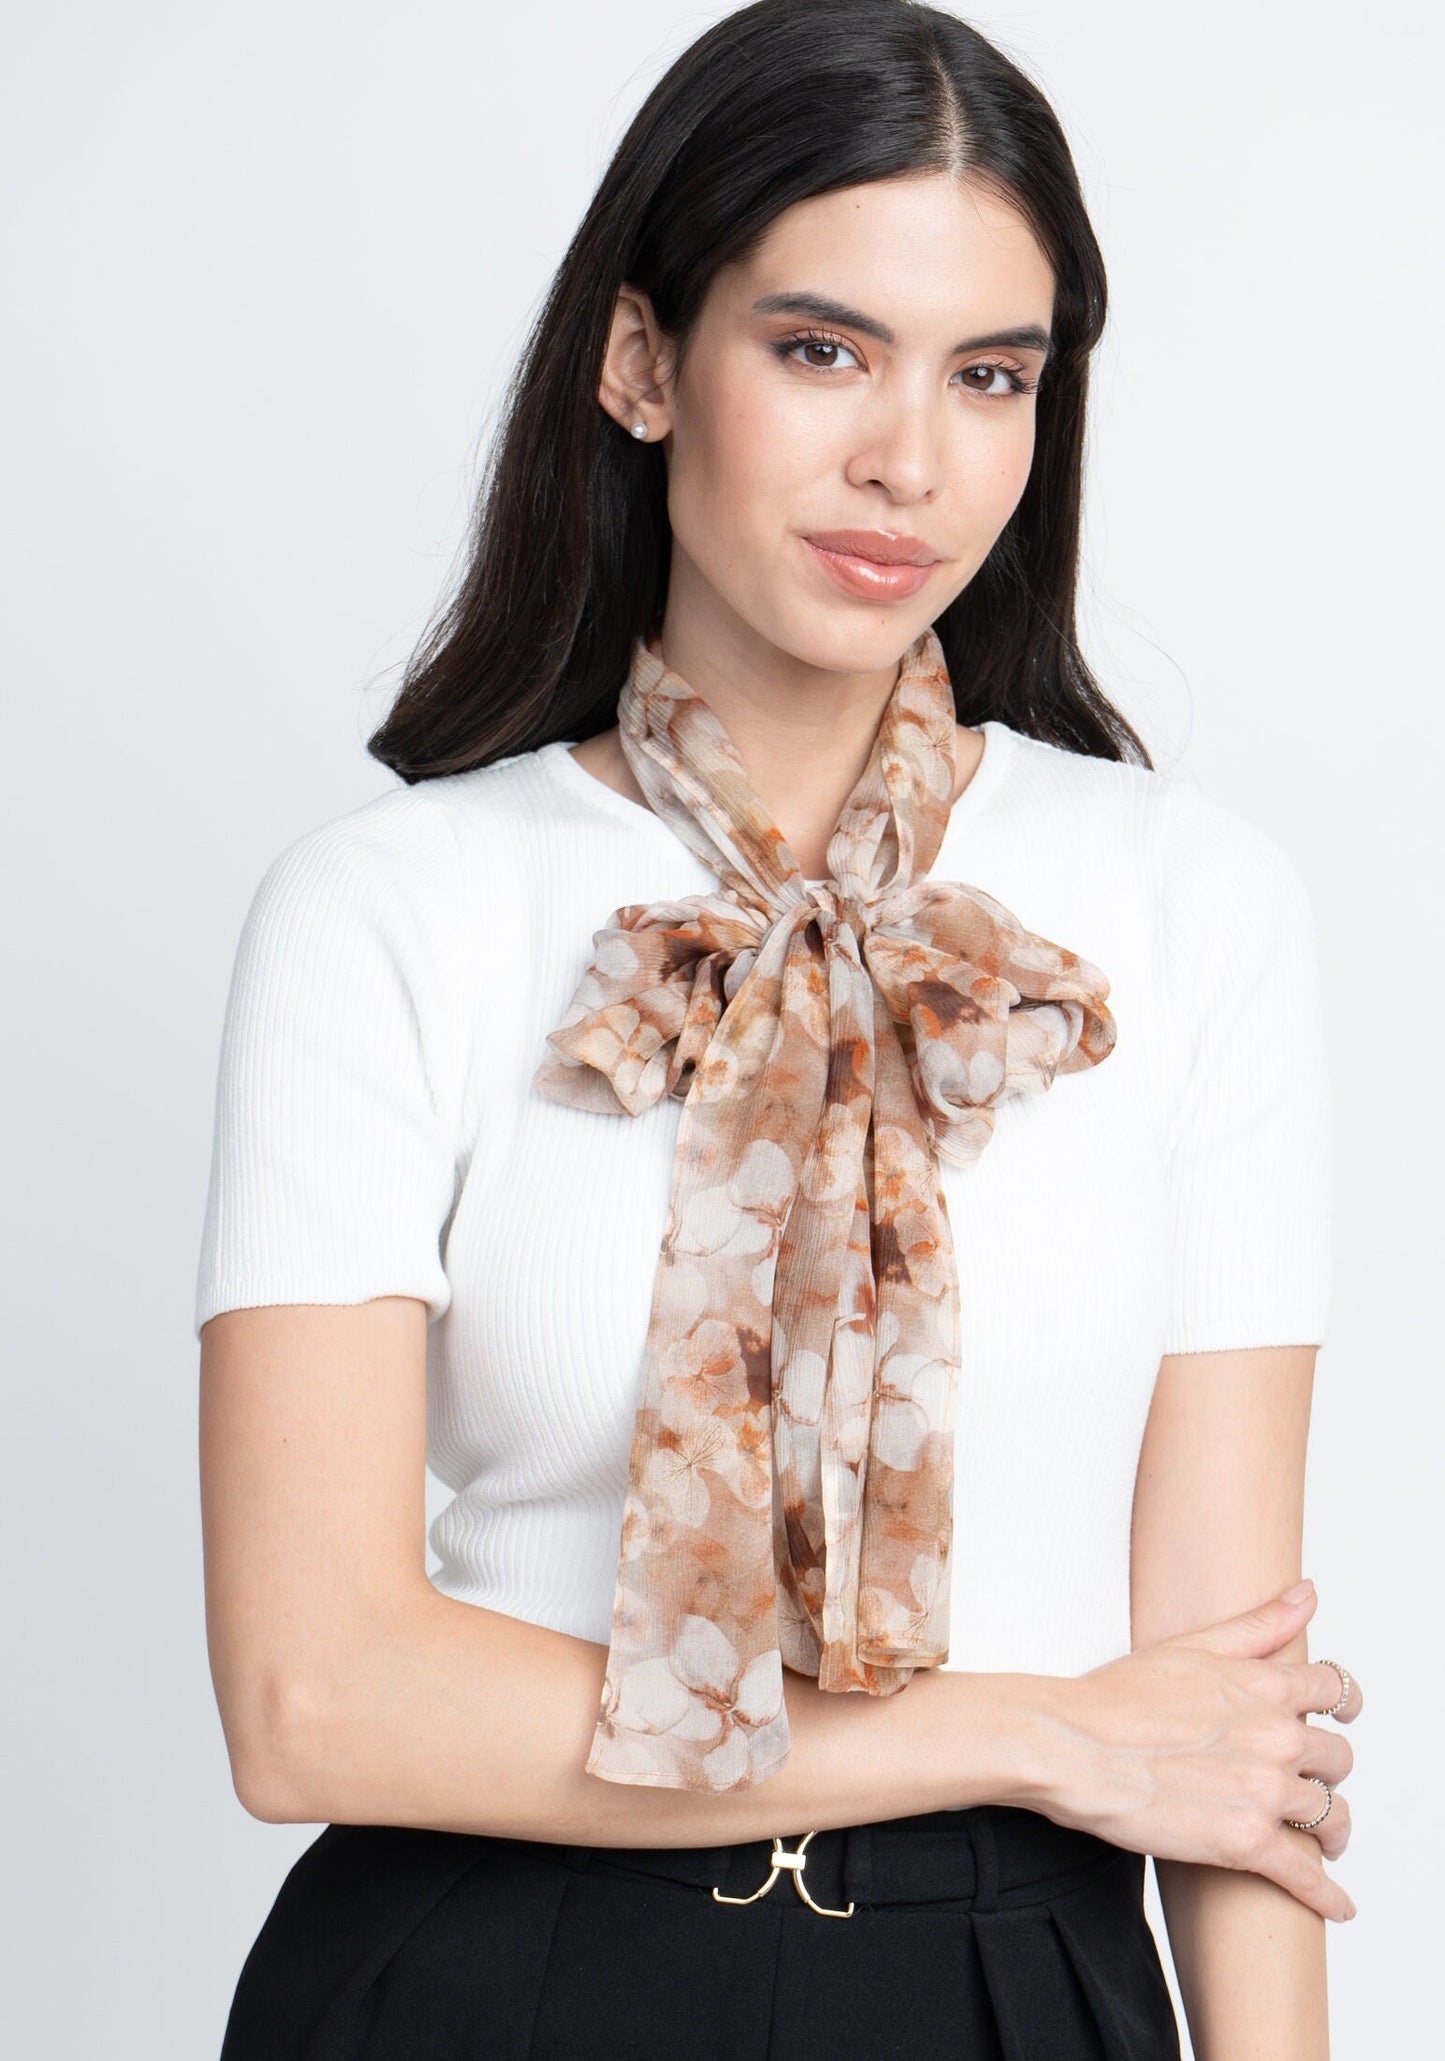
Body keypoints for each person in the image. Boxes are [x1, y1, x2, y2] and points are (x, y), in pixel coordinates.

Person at [194, 3, 1363, 2054]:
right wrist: (1036, 1731)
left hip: (1011, 1979)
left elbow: (1223, 1701)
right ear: (643, 362)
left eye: (990, 375)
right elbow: (315, 1699)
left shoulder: (1194, 905)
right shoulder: (389, 908)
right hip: (490, 1974)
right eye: (823, 350)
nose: (910, 458)